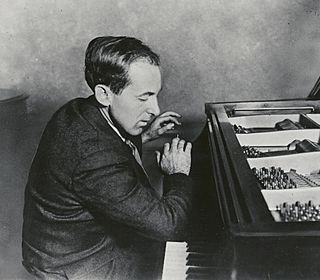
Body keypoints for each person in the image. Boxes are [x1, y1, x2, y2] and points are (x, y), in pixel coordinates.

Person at [22, 36, 194, 280]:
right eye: (143, 98)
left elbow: (105, 143)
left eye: (156, 95)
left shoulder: (78, 110)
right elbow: (169, 226)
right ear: (104, 94)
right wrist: (177, 174)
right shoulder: (93, 155)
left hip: (60, 248)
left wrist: (144, 135)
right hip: (77, 265)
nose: (155, 109)